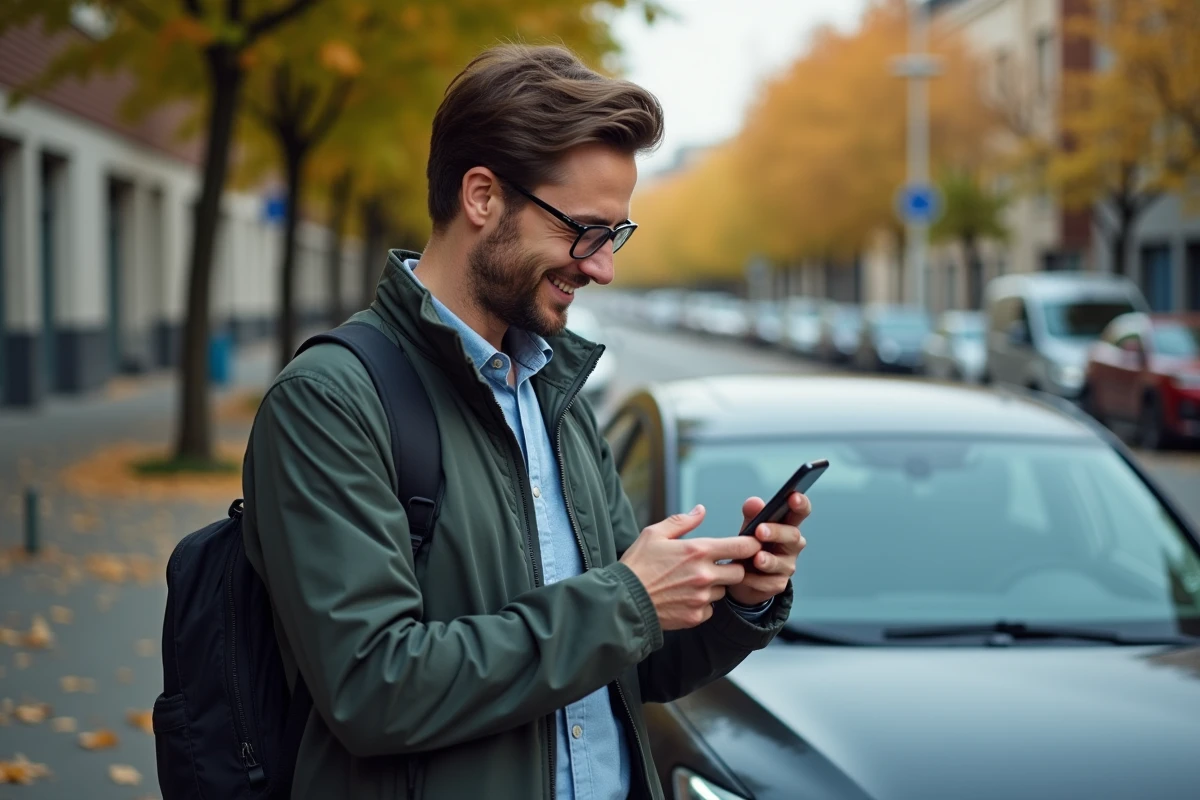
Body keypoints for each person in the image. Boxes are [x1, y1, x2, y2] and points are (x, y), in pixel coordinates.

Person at [241, 43, 810, 800]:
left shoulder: (555, 395)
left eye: (616, 236)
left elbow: (629, 661)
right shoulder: (330, 401)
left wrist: (739, 603)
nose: (602, 266)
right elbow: (372, 687)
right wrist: (628, 598)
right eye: (586, 230)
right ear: (482, 197)